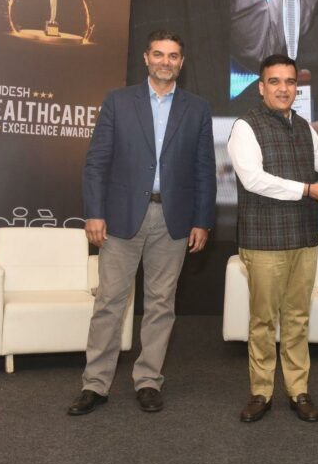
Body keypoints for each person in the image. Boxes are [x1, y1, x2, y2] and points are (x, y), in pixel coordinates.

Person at [68, 30, 216, 416]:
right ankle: (95, 384)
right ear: (146, 59)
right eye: (159, 54)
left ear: (182, 62)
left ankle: (149, 380)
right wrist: (94, 212)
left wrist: (203, 220)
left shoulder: (197, 109)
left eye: (173, 56)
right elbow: (97, 162)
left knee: (161, 304)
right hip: (120, 218)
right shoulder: (118, 101)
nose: (166, 61)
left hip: (173, 219)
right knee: (109, 302)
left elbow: (204, 168)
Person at [227, 54, 318, 423]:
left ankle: (298, 390)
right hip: (263, 240)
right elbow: (254, 180)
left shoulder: (303, 126)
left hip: (303, 238)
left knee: (297, 319)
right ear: (261, 87)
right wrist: (309, 190)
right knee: (263, 321)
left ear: (297, 87)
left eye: (290, 82)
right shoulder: (245, 126)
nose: (283, 89)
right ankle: (261, 392)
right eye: (275, 81)